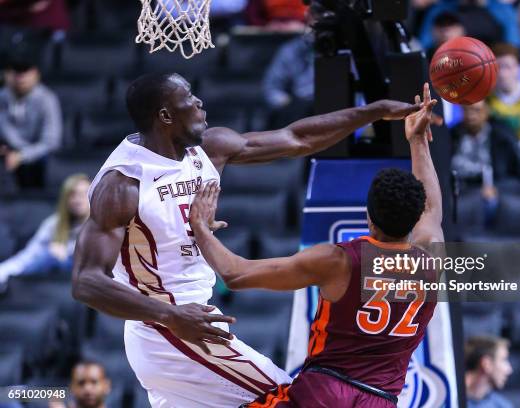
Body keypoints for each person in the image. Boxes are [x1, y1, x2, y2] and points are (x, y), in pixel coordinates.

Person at [71, 72, 424, 408]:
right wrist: (171, 315)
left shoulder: (208, 149)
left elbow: (296, 139)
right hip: (166, 330)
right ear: (165, 115)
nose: (200, 103)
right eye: (189, 99)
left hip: (191, 320)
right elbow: (86, 282)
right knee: (301, 399)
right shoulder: (123, 184)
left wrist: (373, 111)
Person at [187, 83, 444, 407]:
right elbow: (433, 211)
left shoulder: (338, 261)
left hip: (326, 391)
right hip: (381, 400)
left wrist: (199, 228)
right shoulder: (431, 258)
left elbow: (236, 275)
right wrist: (418, 141)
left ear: (368, 217)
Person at [0, 174, 90, 285]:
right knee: (46, 255)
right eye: (73, 195)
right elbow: (29, 255)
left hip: (85, 275)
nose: (78, 200)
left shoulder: (101, 225)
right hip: (55, 272)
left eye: (83, 194)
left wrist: (66, 252)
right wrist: (3, 272)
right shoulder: (54, 223)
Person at [451, 101, 520, 225]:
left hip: (491, 193)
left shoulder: (502, 137)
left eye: (476, 110)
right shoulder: (453, 135)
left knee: (490, 204)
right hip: (459, 192)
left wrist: (497, 189)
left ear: (487, 111)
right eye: (466, 110)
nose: (471, 115)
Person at [0, 50, 62, 188]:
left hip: (39, 158)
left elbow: (51, 142)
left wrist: (21, 155)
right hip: (8, 157)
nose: (20, 77)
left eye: (25, 71)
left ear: (36, 74)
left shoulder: (47, 99)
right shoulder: (2, 97)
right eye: (15, 71)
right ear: (7, 74)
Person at [262, 32, 314, 129]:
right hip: (298, 108)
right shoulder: (290, 49)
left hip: (330, 105)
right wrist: (289, 105)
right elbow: (272, 89)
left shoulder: (342, 48)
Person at [464, 336, 513, 408]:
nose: (509, 370)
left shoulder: (501, 404)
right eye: (503, 360)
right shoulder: (449, 401)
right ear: (487, 364)